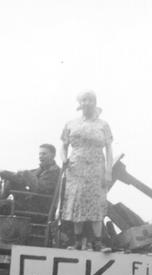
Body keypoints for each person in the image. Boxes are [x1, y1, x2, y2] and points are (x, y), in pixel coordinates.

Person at [60, 90, 113, 251]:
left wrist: (108, 172)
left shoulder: (103, 125)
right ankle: (76, 241)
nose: (87, 103)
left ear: (95, 102)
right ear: (80, 103)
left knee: (96, 202)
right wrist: (63, 158)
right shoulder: (71, 124)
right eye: (84, 100)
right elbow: (63, 145)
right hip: (76, 168)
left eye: (90, 100)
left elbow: (109, 150)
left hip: (96, 167)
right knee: (77, 201)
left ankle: (97, 241)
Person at [0, 144, 61, 241]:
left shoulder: (55, 172)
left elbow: (40, 188)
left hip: (39, 208)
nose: (40, 156)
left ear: (53, 155)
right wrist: (7, 173)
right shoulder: (40, 170)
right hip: (31, 202)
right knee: (10, 181)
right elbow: (22, 178)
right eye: (40, 154)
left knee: (3, 205)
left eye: (44, 154)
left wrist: (26, 174)